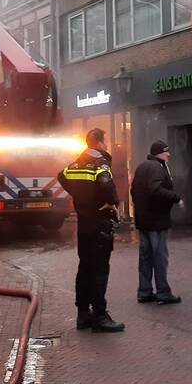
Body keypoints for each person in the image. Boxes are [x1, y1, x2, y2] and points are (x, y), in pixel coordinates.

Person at [58, 128, 125, 332]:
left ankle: (83, 314)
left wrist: (80, 197)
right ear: (99, 143)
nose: (105, 146)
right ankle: (100, 316)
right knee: (99, 269)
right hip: (99, 223)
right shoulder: (100, 164)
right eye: (104, 142)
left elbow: (61, 176)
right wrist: (112, 202)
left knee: (85, 267)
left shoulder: (76, 164)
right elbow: (106, 183)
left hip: (83, 223)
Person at [130, 140, 183, 304]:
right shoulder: (156, 167)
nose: (169, 154)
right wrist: (176, 198)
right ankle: (163, 292)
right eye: (166, 151)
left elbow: (134, 191)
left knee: (145, 257)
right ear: (159, 153)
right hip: (156, 221)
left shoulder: (142, 167)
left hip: (144, 220)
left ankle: (144, 292)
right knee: (160, 256)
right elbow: (156, 189)